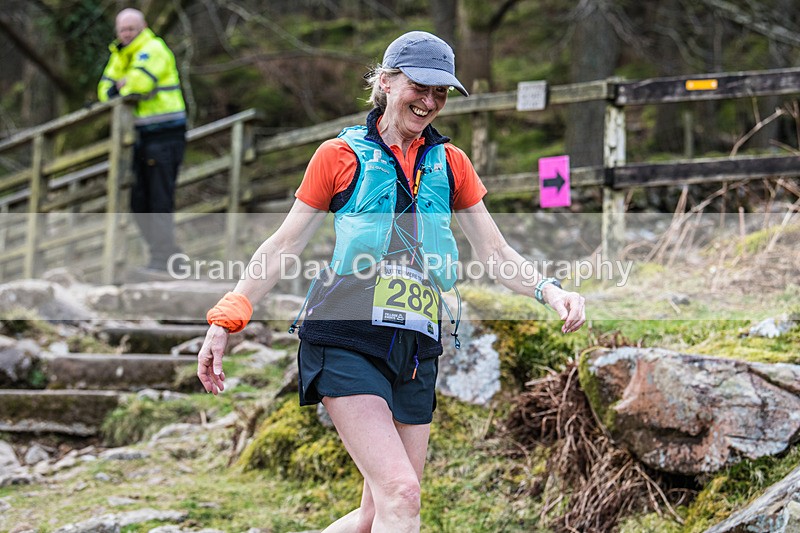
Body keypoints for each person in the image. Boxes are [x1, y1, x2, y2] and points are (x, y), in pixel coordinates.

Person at [197, 31, 586, 532]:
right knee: (402, 494)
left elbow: (495, 252)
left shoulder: (452, 164)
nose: (430, 101)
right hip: (345, 337)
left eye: (441, 92)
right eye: (419, 87)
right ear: (385, 82)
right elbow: (282, 246)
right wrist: (226, 319)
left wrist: (551, 292)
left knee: (375, 513)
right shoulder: (338, 155)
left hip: (416, 346)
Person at [97, 8, 186, 271]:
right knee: (138, 200)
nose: (126, 34)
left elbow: (139, 84)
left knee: (159, 199)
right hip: (138, 137)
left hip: (165, 134)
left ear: (143, 27)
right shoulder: (120, 54)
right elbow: (104, 90)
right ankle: (167, 256)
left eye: (131, 29)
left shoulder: (153, 48)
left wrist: (121, 86)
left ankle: (164, 259)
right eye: (122, 29)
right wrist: (118, 86)